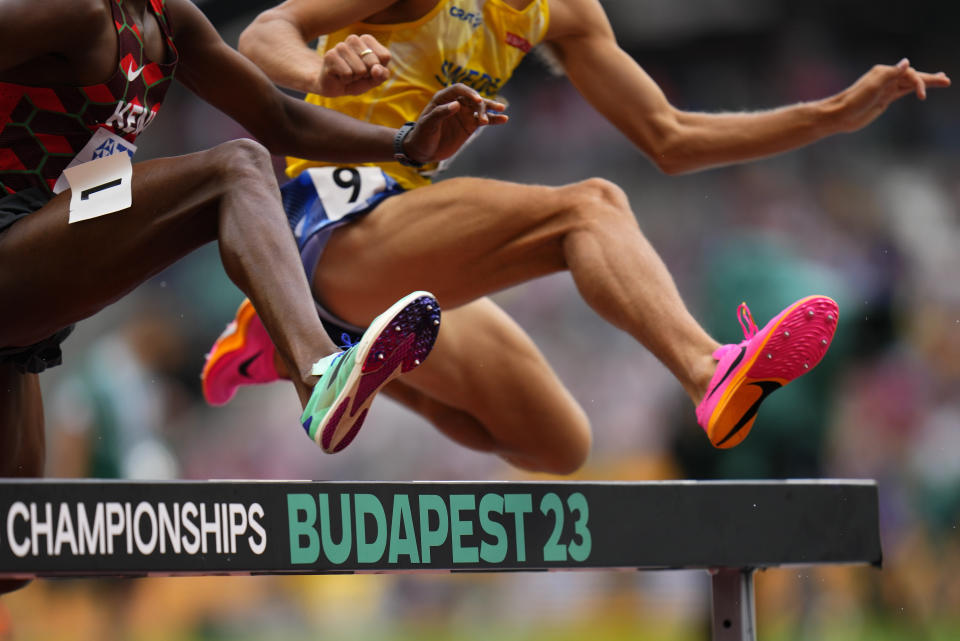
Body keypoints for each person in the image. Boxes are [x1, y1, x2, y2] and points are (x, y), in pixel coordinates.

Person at [203, 0, 949, 473]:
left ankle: (315, 346)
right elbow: (264, 32)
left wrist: (832, 116)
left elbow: (672, 135)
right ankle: (710, 369)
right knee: (588, 206)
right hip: (338, 227)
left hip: (406, 257)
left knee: (557, 444)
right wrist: (320, 70)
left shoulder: (563, 12)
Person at [0, 0, 506, 592]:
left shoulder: (170, 22)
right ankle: (321, 373)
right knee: (235, 168)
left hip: (35, 257)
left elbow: (279, 121)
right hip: (11, 241)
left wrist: (406, 146)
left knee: (14, 555)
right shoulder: (71, 11)